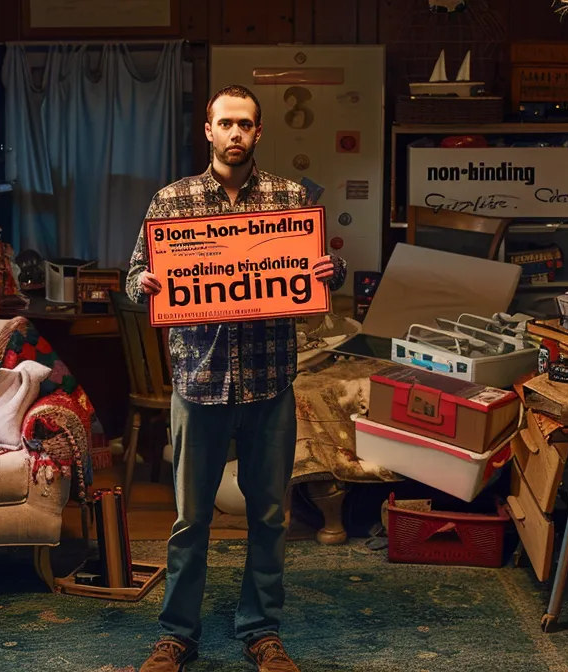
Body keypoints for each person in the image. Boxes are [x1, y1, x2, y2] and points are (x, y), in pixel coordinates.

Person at [125, 84, 346, 672]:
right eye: (225, 123)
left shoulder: (289, 196)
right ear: (208, 129)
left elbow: (319, 268)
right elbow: (134, 273)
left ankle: (262, 630)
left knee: (269, 514)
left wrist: (333, 268)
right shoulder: (172, 202)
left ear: (258, 132)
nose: (235, 133)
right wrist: (141, 284)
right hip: (199, 382)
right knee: (189, 519)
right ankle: (176, 635)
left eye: (245, 124)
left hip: (269, 379)